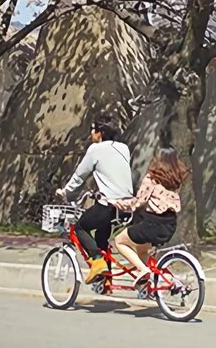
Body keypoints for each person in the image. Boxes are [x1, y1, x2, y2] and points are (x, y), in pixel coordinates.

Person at [55, 114, 134, 284]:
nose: (91, 133)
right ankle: (106, 281)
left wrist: (66, 193)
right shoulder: (124, 148)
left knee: (80, 227)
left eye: (93, 129)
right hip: (126, 207)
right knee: (101, 236)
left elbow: (79, 176)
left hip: (109, 205)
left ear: (100, 133)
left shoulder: (95, 150)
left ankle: (97, 262)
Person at [111, 147, 188, 289]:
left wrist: (118, 203)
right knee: (142, 250)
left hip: (153, 224)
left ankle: (143, 270)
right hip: (170, 224)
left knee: (119, 241)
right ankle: (158, 283)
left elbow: (139, 202)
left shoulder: (152, 178)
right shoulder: (176, 179)